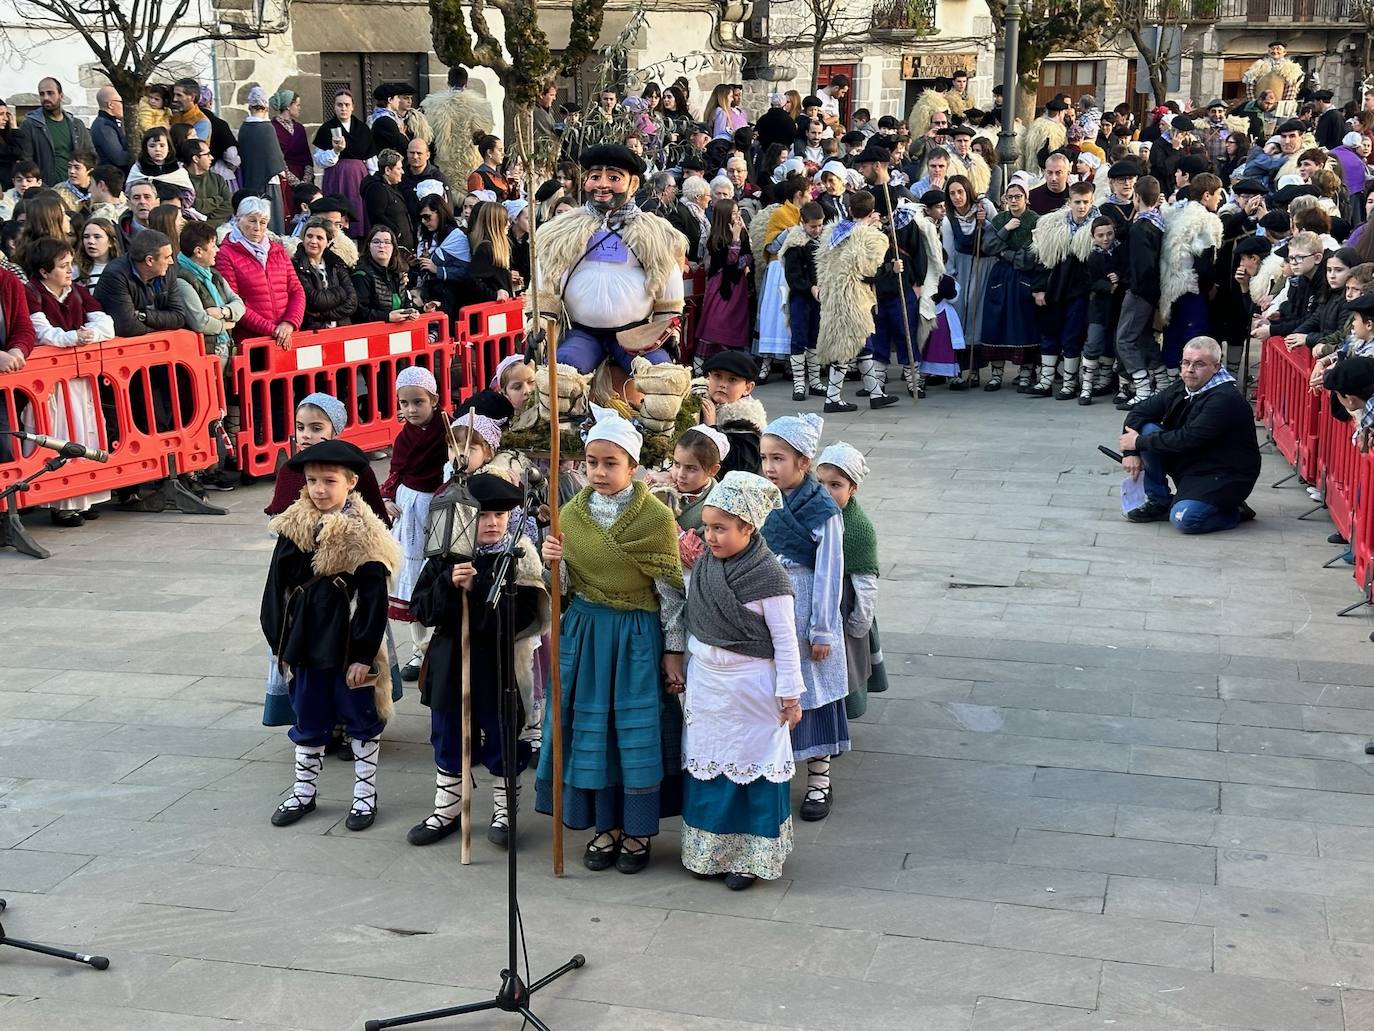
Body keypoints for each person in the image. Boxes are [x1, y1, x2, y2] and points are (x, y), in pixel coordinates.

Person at [535, 405, 686, 873]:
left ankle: (637, 832)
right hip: (585, 634)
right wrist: (551, 561)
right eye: (591, 462)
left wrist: (674, 650)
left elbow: (671, 592)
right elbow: (560, 590)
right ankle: (605, 827)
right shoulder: (569, 517)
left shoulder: (656, 519)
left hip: (636, 635)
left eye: (610, 463)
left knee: (632, 731)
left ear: (633, 467)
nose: (599, 472)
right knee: (590, 731)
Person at [407, 454, 549, 851]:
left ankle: (506, 811)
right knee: (448, 734)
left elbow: (522, 617)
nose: (492, 523)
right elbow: (422, 609)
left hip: (499, 666)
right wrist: (450, 586)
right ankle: (448, 809)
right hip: (451, 663)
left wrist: (483, 587)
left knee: (503, 737)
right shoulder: (447, 555)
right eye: (484, 515)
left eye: (501, 515)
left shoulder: (518, 557)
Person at [260, 438, 399, 830]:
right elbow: (276, 589)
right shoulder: (293, 527)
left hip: (347, 644)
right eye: (312, 481)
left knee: (360, 717)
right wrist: (279, 642)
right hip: (306, 643)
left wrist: (362, 654)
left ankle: (364, 796)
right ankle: (304, 791)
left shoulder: (364, 535)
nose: (320, 489)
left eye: (329, 481)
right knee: (309, 715)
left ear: (351, 481)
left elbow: (373, 601)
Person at [678, 470, 800, 890]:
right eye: (708, 527)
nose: (711, 536)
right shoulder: (708, 566)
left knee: (754, 765)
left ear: (748, 527)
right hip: (708, 685)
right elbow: (698, 611)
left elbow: (785, 642)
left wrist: (790, 696)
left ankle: (750, 858)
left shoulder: (770, 579)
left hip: (752, 690)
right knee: (709, 761)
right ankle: (707, 853)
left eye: (721, 528)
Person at [530, 144, 686, 384]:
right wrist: (539, 322)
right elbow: (547, 281)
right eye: (595, 177)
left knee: (664, 381)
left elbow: (668, 286)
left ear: (633, 184)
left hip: (636, 335)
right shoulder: (562, 231)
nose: (602, 184)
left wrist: (668, 330)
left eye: (613, 177)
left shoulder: (654, 233)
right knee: (560, 379)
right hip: (582, 334)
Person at [758, 414, 847, 822]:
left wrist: (823, 628)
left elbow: (831, 571)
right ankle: (772, 772)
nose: (770, 468)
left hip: (806, 604)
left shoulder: (823, 509)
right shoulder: (762, 498)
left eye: (779, 459)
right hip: (768, 605)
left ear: (803, 463)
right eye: (764, 458)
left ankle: (819, 781)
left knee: (812, 693)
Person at [1119, 336, 1260, 532]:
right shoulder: (1184, 385)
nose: (1190, 369)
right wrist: (1131, 452)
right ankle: (1159, 502)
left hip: (1222, 474)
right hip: (1191, 462)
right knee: (1148, 428)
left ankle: (1233, 510)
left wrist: (1138, 443)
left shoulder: (1224, 399)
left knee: (1185, 520)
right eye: (1186, 362)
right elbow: (1139, 412)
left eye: (1199, 364)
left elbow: (1187, 438)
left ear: (1216, 367)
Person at [22, 236, 115, 525]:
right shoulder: (33, 293)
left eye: (70, 264)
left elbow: (105, 322)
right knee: (58, 432)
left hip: (78, 376)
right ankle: (60, 503)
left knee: (85, 431)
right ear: (44, 272)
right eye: (63, 266)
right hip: (50, 383)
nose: (69, 271)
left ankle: (85, 493)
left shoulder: (75, 291)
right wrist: (72, 338)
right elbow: (40, 332)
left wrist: (90, 335)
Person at [382, 365, 448, 681]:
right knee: (414, 579)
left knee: (438, 574)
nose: (411, 409)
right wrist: (386, 498)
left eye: (418, 402)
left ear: (433, 399)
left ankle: (441, 646)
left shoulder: (447, 430)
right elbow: (396, 471)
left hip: (439, 506)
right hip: (410, 510)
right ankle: (419, 651)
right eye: (404, 403)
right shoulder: (404, 436)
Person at [815, 442, 885, 722]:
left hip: (845, 609)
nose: (826, 492)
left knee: (844, 664)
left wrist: (859, 622)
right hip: (820, 601)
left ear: (852, 488)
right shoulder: (813, 512)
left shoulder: (857, 528)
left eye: (835, 485)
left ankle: (840, 719)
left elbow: (866, 581)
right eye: (820, 483)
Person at [815, 190, 888, 413]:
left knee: (863, 344)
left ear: (849, 209)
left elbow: (822, 264)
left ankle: (875, 393)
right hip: (854, 298)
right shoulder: (871, 237)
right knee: (846, 347)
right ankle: (832, 398)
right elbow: (868, 270)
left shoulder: (832, 232)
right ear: (872, 211)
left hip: (832, 296)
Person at [1028, 180, 1097, 398]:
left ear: (1092, 201)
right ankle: (1045, 381)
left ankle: (1069, 383)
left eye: (1086, 202)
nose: (1082, 207)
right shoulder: (1053, 225)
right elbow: (1042, 258)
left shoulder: (1098, 227)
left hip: (1081, 291)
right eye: (1077, 202)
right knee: (1049, 333)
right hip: (1055, 289)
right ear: (1069, 202)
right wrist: (1039, 289)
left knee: (1072, 336)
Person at [214, 197, 304, 349]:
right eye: (252, 221)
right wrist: (273, 330)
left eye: (262, 222)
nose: (258, 227)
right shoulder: (225, 254)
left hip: (286, 336)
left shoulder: (278, 250)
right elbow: (233, 301)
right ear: (238, 220)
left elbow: (296, 290)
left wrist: (289, 323)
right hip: (252, 340)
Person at [978, 178, 1040, 392]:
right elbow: (988, 246)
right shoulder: (1000, 220)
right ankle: (996, 375)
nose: (1014, 200)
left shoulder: (1035, 221)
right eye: (1010, 197)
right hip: (1000, 278)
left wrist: (1004, 252)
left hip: (1023, 277)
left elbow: (1029, 257)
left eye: (1018, 196)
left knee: (1023, 322)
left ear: (1026, 197)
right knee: (996, 322)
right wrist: (1005, 229)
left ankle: (1025, 375)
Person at [1115, 174, 1166, 408]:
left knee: (1124, 340)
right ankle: (1163, 381)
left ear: (1136, 197)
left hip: (1139, 293)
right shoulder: (1158, 222)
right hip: (1152, 291)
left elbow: (1143, 265)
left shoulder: (1141, 228)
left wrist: (1134, 288)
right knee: (1144, 337)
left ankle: (1142, 387)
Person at [92, 228, 187, 336]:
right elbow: (127, 327)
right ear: (149, 260)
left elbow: (179, 317)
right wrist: (163, 326)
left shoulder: (167, 272)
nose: (171, 261)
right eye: (167, 257)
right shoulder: (115, 276)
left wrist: (143, 315)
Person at [694, 196, 753, 366]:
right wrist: (735, 240)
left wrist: (740, 256)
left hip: (737, 285)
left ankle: (730, 364)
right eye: (734, 213)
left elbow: (748, 257)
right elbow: (730, 260)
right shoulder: (716, 238)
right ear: (725, 215)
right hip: (721, 286)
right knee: (716, 321)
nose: (737, 216)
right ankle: (699, 365)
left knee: (734, 323)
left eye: (738, 212)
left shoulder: (742, 231)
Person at [422, 66, 496, 194]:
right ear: (466, 83)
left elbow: (427, 135)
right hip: (471, 161)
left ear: (448, 82)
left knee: (448, 193)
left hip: (445, 161)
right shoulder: (480, 106)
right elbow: (484, 133)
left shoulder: (433, 105)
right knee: (473, 193)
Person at [313, 90, 375, 240]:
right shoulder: (326, 129)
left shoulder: (362, 129)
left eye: (347, 104)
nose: (343, 108)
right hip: (336, 176)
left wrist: (373, 182)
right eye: (339, 104)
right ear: (334, 107)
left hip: (358, 178)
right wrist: (335, 151)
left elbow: (372, 159)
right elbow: (319, 160)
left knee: (358, 211)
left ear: (353, 106)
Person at [780, 199, 825, 401]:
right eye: (813, 226)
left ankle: (814, 382)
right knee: (799, 339)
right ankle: (799, 384)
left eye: (820, 225)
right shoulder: (794, 245)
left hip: (819, 298)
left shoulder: (824, 240)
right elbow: (793, 276)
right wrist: (810, 287)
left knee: (815, 337)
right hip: (801, 297)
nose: (817, 230)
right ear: (803, 223)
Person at [699, 350, 767, 476]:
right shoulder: (696, 401)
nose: (722, 385)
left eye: (732, 380)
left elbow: (743, 467)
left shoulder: (747, 420)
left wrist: (712, 429)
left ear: (748, 388)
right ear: (708, 377)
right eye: (717, 376)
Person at [18, 77, 94, 186]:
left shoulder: (77, 125)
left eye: (50, 93)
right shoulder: (30, 125)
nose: (46, 97)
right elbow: (26, 162)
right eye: (42, 94)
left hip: (76, 188)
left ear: (61, 96)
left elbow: (90, 156)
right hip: (46, 190)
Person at [237, 85, 288, 234]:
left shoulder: (244, 128)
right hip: (269, 182)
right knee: (271, 219)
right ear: (265, 108)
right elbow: (276, 158)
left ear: (250, 106)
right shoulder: (267, 128)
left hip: (250, 180)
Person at [293, 216, 358, 330]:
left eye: (319, 238)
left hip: (342, 330)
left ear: (328, 242)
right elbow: (314, 301)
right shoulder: (295, 265)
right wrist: (341, 292)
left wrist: (323, 315)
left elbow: (352, 302)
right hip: (313, 332)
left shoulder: (337, 263)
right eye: (309, 236)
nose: (313, 241)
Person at [361, 148, 415, 252]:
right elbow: (377, 216)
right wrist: (396, 231)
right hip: (392, 249)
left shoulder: (390, 187)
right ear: (387, 170)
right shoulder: (378, 190)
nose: (402, 172)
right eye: (399, 169)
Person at [467, 200, 514, 302]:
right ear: (497, 223)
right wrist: (493, 295)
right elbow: (471, 280)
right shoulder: (485, 248)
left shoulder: (496, 248)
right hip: (493, 309)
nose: (509, 224)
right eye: (506, 220)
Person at [181, 139, 231, 226]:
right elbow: (191, 206)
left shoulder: (217, 179)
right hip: (190, 231)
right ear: (196, 158)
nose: (211, 157)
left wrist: (205, 221)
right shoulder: (181, 180)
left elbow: (230, 205)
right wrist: (218, 200)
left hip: (216, 229)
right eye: (207, 154)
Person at [269, 89, 310, 182]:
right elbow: (275, 158)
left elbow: (307, 157)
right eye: (297, 105)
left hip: (303, 177)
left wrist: (306, 180)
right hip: (283, 178)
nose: (300, 108)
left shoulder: (299, 128)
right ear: (288, 106)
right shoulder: (272, 128)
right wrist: (292, 180)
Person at [89, 86, 132, 172]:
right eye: (121, 102)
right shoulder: (104, 126)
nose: (124, 105)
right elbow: (120, 158)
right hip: (111, 179)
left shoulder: (110, 123)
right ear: (110, 105)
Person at [76, 216, 120, 288]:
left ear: (111, 242)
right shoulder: (75, 270)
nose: (90, 241)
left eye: (97, 237)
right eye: (86, 237)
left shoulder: (123, 268)